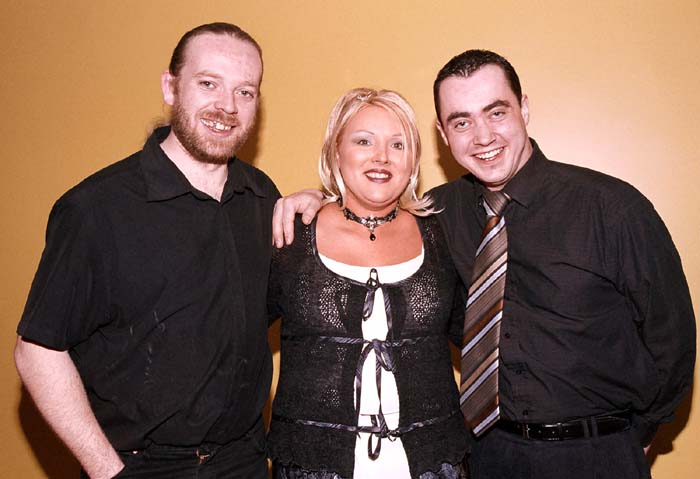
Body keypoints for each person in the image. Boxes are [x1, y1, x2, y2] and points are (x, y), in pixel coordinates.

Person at [272, 50, 695, 479]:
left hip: (596, 453)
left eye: (496, 112)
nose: (482, 136)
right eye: (461, 121)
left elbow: (672, 338)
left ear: (524, 108)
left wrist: (631, 434)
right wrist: (317, 200)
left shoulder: (611, 208)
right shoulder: (438, 216)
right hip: (486, 456)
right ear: (443, 133)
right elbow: (371, 208)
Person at [15, 23, 278, 479]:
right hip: (140, 468)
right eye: (208, 83)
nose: (227, 107)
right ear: (170, 87)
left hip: (245, 462)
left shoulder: (262, 199)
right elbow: (37, 350)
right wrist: (107, 471)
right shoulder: (96, 209)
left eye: (245, 92)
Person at [267, 88, 470, 478]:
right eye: (364, 141)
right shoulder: (290, 236)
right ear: (335, 151)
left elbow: (475, 332)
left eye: (398, 144)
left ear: (413, 161)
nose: (382, 157)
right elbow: (234, 336)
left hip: (432, 464)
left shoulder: (441, 233)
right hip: (316, 467)